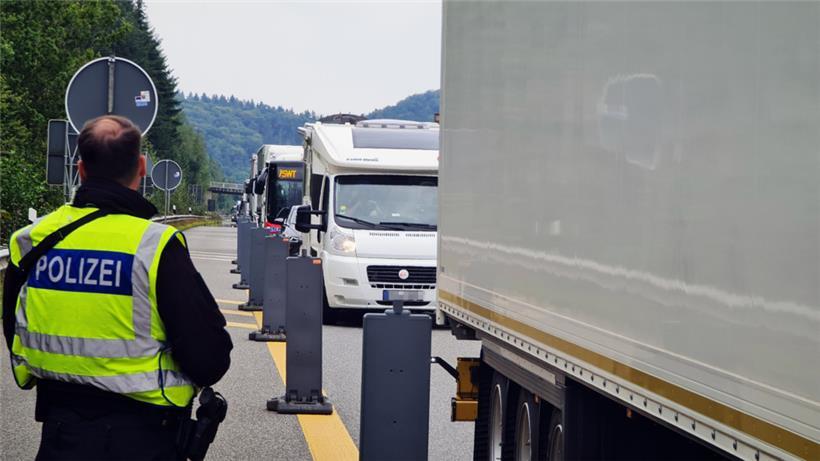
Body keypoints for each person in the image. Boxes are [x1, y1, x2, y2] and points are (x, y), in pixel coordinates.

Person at [2, 115, 233, 460]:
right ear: (142, 167)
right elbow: (210, 358)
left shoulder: (30, 241)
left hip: (59, 436)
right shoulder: (155, 246)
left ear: (80, 169)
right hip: (145, 439)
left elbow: (15, 332)